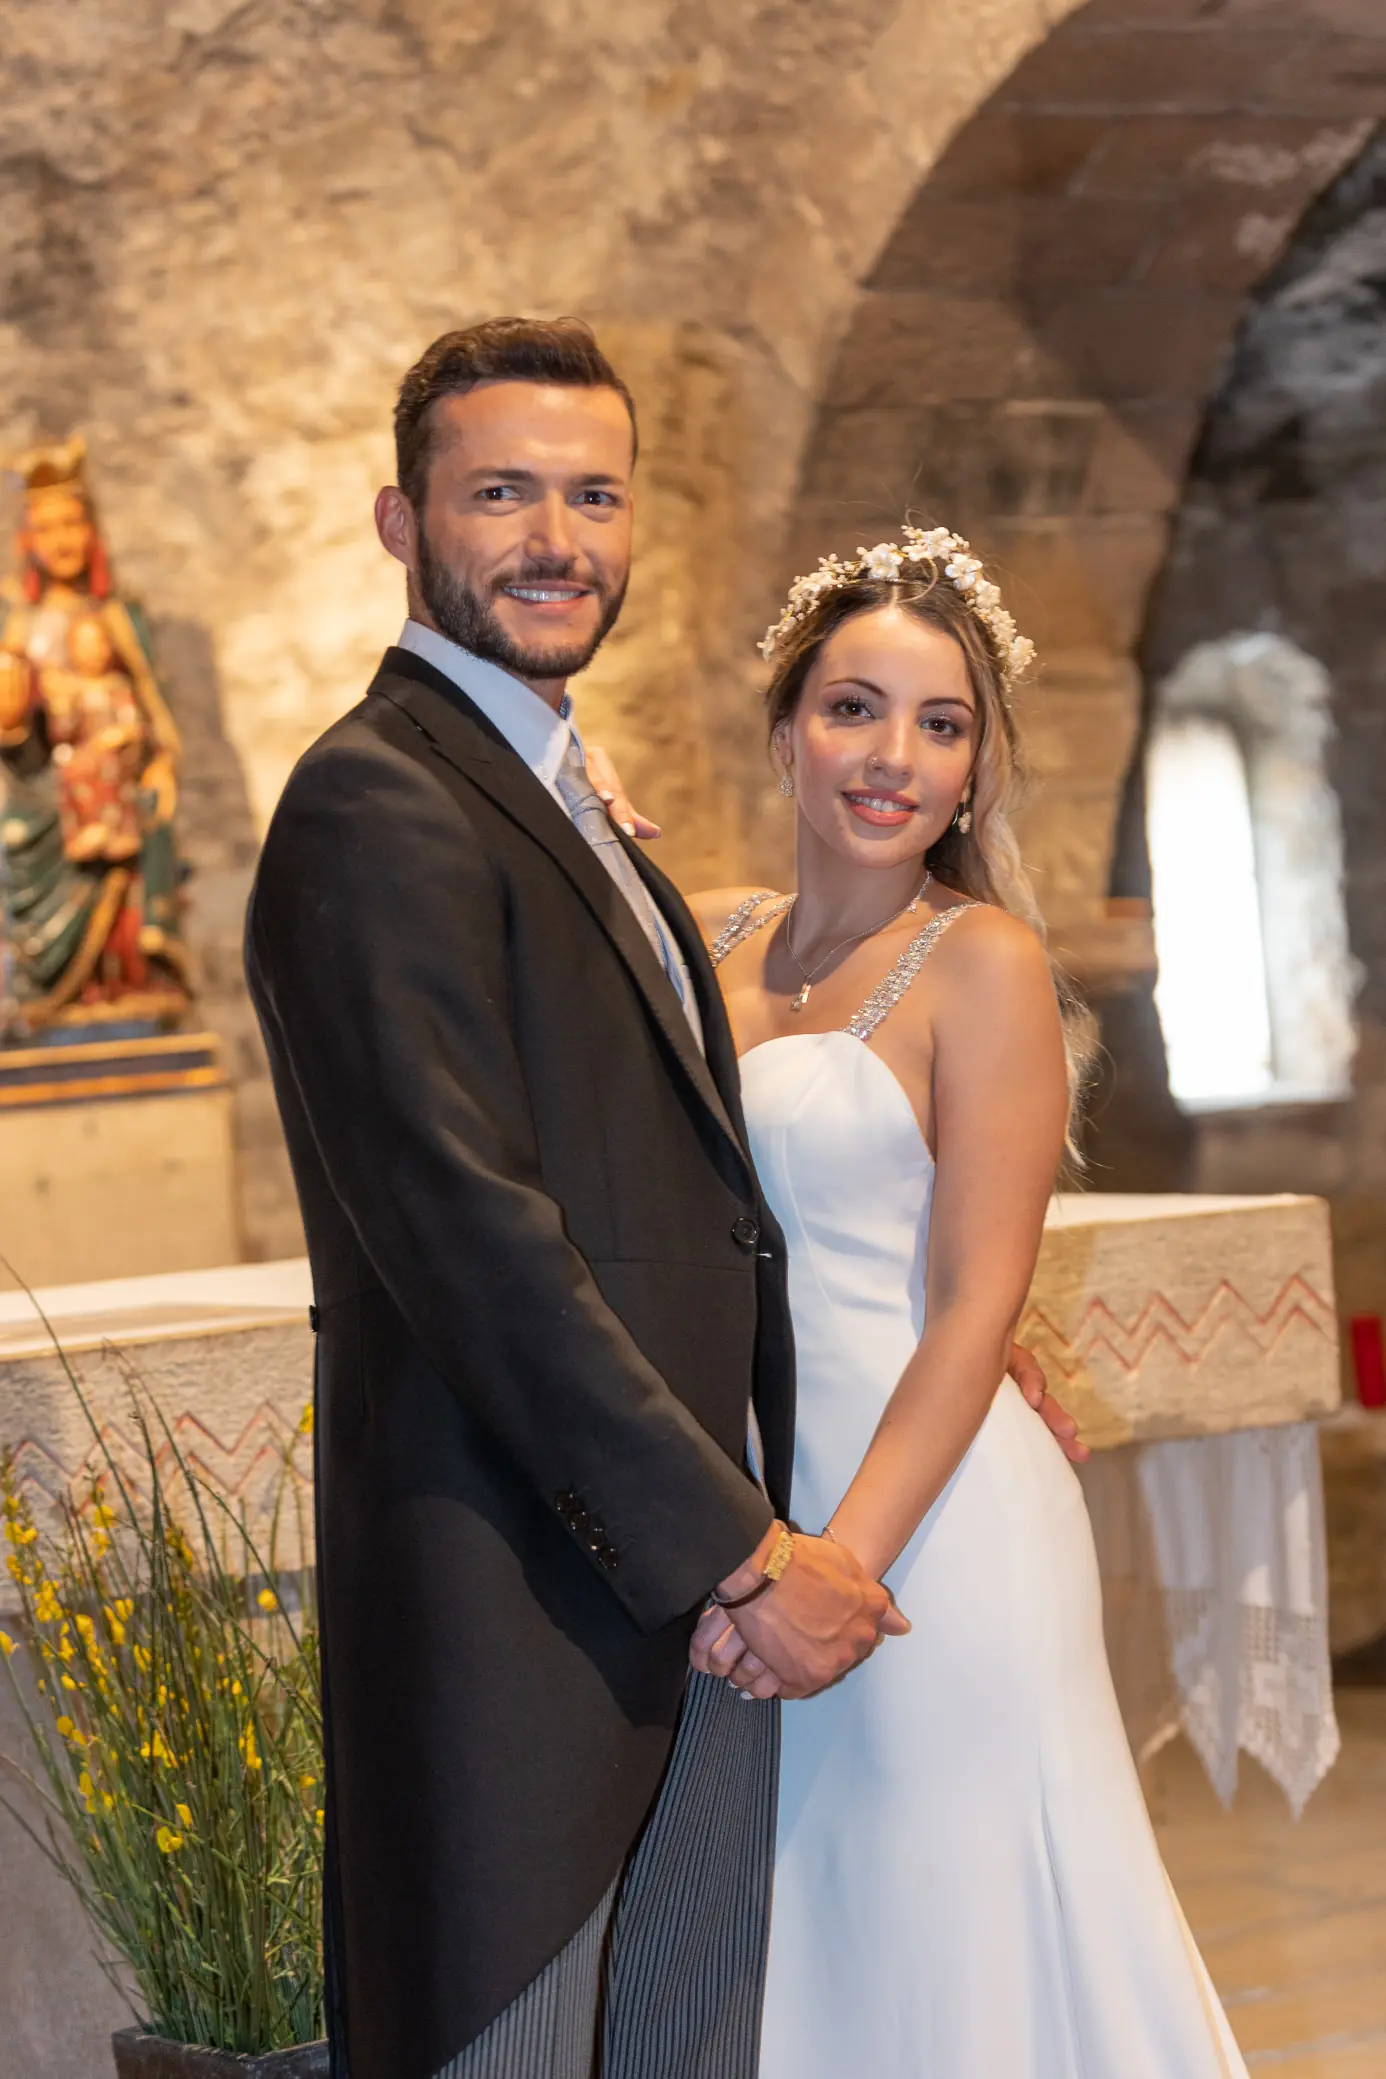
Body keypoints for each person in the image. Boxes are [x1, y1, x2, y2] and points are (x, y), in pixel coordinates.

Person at [245, 318, 1082, 2079]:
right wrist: (747, 1548)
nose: (555, 535)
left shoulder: (583, 818)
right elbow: (476, 1241)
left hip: (732, 1575)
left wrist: (936, 1372)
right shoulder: (377, 801)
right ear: (403, 525)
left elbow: (712, 1200)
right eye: (501, 493)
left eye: (592, 494)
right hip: (563, 1601)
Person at [687, 527, 1248, 2077]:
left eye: (941, 725)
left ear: (977, 767)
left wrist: (834, 1573)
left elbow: (971, 1309)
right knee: (816, 1947)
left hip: (922, 1535)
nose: (892, 758)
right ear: (782, 722)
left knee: (953, 1943)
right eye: (853, 707)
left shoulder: (978, 961)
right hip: (754, 1524)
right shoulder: (701, 937)